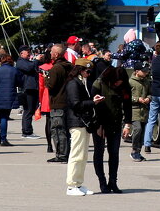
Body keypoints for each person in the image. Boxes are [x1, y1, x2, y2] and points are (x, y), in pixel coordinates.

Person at [92, 66, 129, 194]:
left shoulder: (123, 86)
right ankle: (102, 182)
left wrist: (127, 124)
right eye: (116, 81)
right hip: (100, 124)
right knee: (99, 152)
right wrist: (98, 124)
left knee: (114, 153)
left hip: (115, 122)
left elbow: (127, 104)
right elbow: (93, 106)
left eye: (121, 81)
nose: (118, 83)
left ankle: (113, 181)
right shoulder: (99, 84)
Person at [63, 58, 98, 195]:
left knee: (82, 155)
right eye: (87, 71)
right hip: (76, 121)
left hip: (82, 122)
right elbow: (75, 104)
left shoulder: (81, 82)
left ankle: (78, 183)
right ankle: (71, 185)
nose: (89, 74)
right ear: (80, 70)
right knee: (76, 154)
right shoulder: (73, 84)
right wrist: (92, 102)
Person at [45, 44, 71, 162]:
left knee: (57, 129)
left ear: (56, 54)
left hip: (58, 102)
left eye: (51, 52)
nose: (50, 54)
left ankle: (61, 155)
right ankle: (66, 153)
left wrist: (46, 78)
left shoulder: (56, 68)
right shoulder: (70, 66)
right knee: (66, 130)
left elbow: (51, 86)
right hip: (69, 102)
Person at [0, 51, 20, 146]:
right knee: (4, 117)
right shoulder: (14, 70)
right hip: (9, 96)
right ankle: (3, 138)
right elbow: (19, 83)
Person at [15, 47, 42, 139]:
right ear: (21, 53)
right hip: (27, 89)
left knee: (30, 109)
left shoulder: (28, 61)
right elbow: (29, 68)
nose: (29, 53)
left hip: (32, 88)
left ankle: (28, 130)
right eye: (27, 52)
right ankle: (27, 131)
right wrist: (36, 61)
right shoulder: (20, 62)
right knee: (28, 110)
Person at [128, 65, 151, 162]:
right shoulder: (130, 82)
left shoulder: (146, 81)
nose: (146, 73)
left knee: (142, 132)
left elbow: (150, 92)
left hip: (144, 110)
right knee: (137, 129)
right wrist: (137, 99)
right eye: (144, 71)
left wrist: (149, 98)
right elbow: (126, 96)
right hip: (134, 109)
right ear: (137, 71)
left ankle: (138, 151)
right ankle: (133, 151)